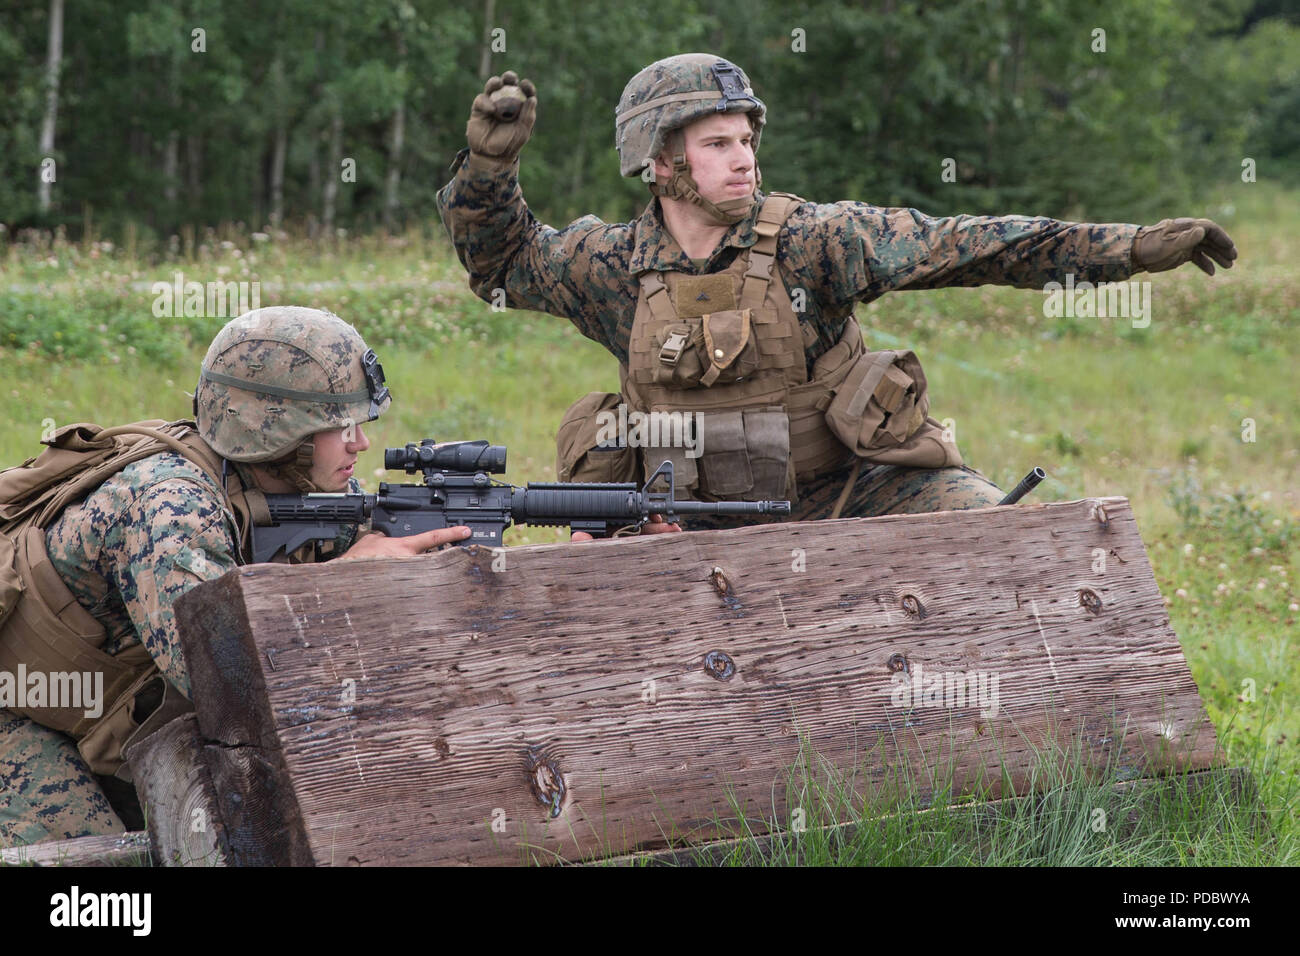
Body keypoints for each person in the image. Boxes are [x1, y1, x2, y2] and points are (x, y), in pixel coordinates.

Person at [435, 53, 1237, 529]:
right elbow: (502, 265)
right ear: (661, 162)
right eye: (718, 144)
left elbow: (969, 247)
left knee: (1004, 542)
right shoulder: (609, 267)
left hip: (853, 489)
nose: (745, 159)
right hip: (684, 516)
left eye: (747, 141)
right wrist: (490, 169)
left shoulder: (818, 239)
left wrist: (1130, 248)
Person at [0, 306, 478, 848]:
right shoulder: (171, 509)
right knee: (100, 872)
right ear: (274, 431)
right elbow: (228, 683)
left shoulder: (283, 484)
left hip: (102, 719)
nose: (360, 444)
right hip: (21, 716)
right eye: (339, 426)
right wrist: (341, 581)